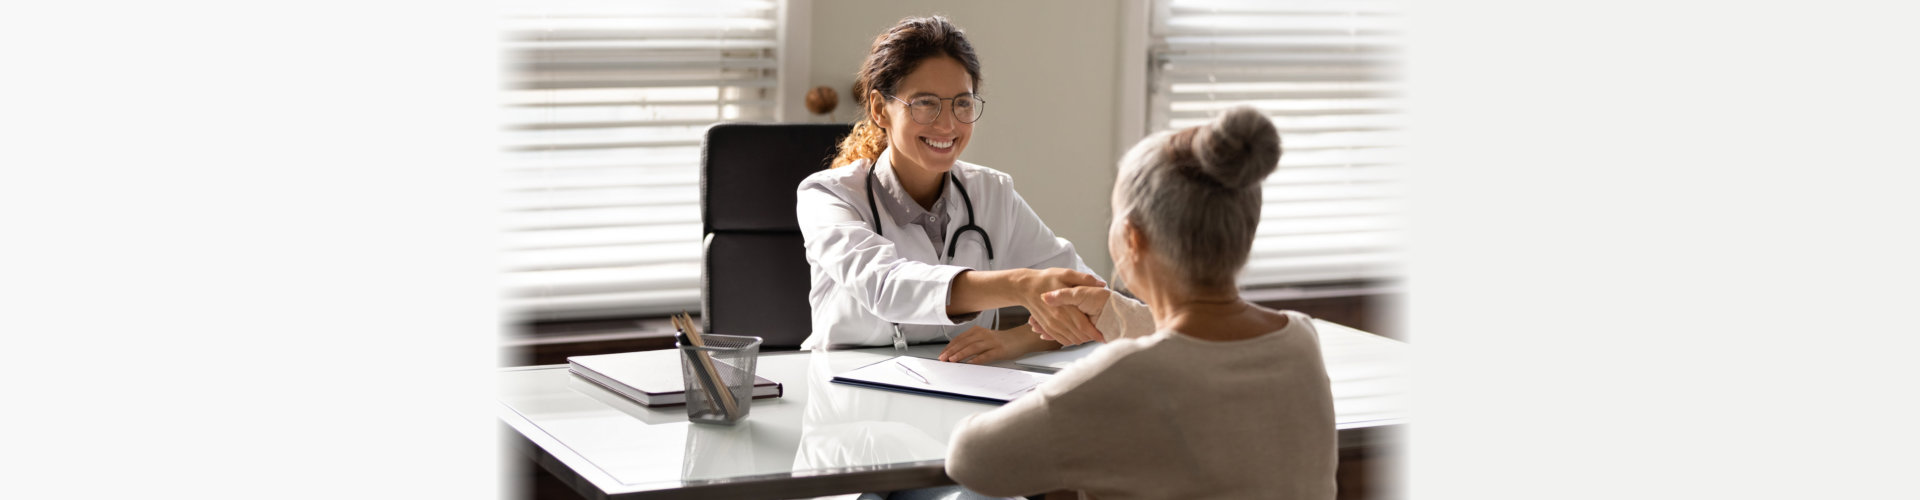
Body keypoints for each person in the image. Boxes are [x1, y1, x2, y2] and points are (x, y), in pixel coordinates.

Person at [944, 106, 1338, 499]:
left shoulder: (1121, 376)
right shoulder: (1301, 339)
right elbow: (1203, 352)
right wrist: (1119, 315)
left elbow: (971, 460)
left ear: (1133, 239)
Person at [795, 15, 1108, 363]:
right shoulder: (827, 196)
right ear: (880, 109)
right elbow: (885, 285)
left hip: (963, 390)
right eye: (925, 103)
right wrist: (1021, 285)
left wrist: (1014, 341)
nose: (947, 124)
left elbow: (1093, 302)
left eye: (962, 103)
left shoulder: (992, 193)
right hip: (845, 400)